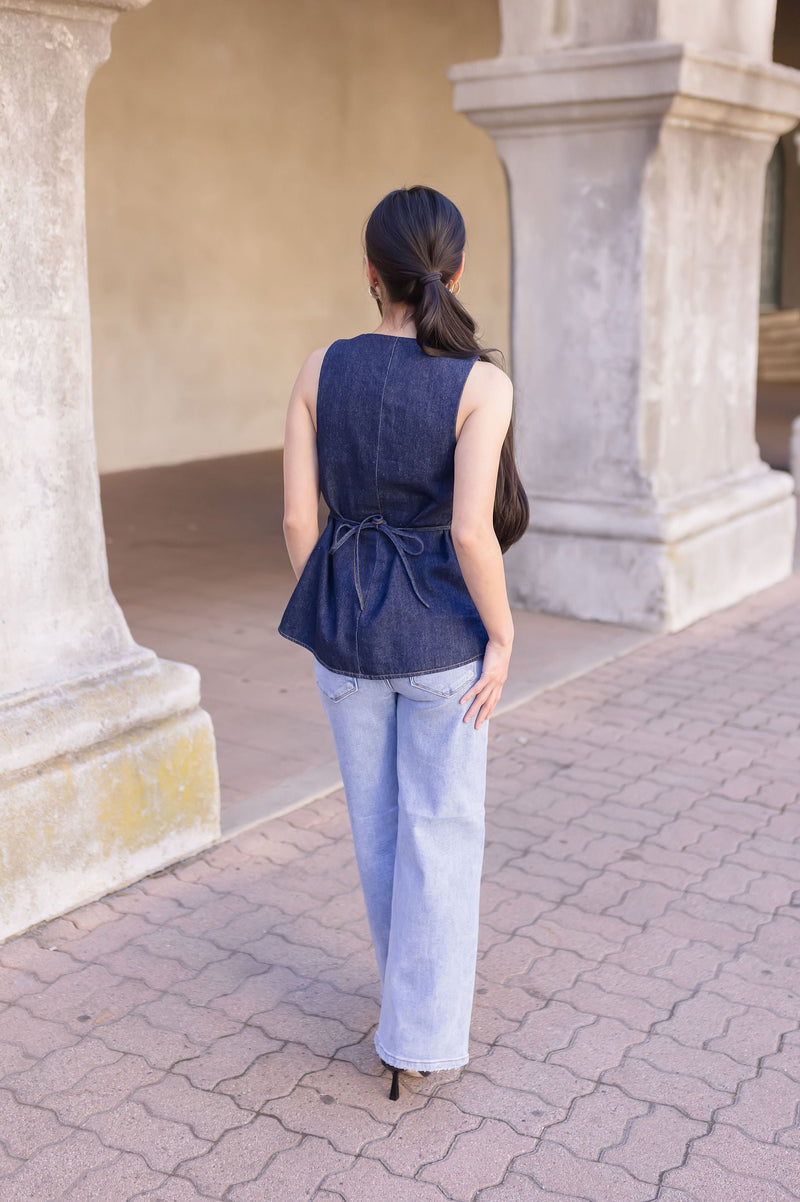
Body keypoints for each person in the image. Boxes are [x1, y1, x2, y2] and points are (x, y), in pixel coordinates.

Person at [278, 185, 528, 1100]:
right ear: (454, 273)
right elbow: (471, 533)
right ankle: (418, 1035)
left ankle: (406, 1006)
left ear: (370, 272)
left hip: (344, 636)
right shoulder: (481, 383)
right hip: (441, 637)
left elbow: (299, 519)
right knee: (442, 831)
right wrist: (500, 637)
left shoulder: (318, 368)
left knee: (379, 826)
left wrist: (331, 604)